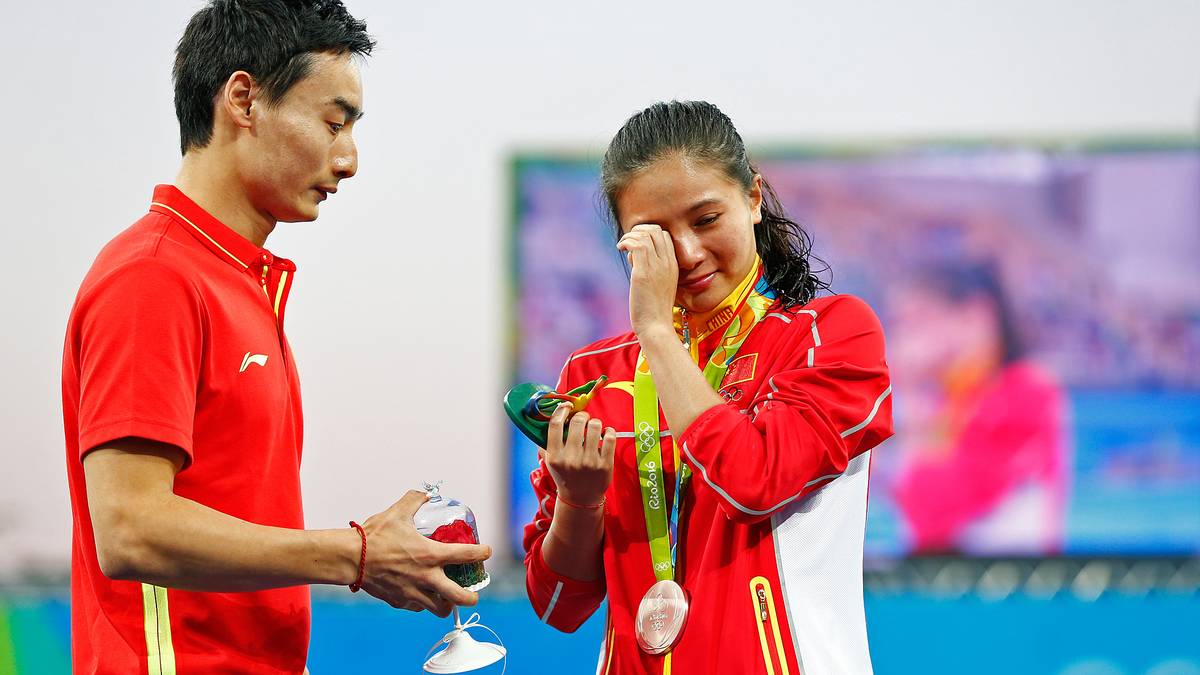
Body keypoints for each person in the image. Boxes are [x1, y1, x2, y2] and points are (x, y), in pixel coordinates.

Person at [61, 2, 490, 673]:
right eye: (333, 121)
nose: (348, 159)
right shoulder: (153, 276)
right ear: (244, 99)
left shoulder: (237, 283)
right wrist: (357, 553)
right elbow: (128, 528)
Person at [522, 101, 894, 674]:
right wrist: (578, 498)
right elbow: (558, 603)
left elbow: (754, 481)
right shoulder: (594, 376)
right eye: (654, 236)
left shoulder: (831, 335)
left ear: (753, 199)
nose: (687, 254)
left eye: (705, 219)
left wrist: (653, 331)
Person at [887, 262, 1069, 554]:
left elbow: (933, 515)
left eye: (918, 321)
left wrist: (908, 398)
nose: (903, 341)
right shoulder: (948, 400)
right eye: (899, 325)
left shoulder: (1026, 393)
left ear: (975, 316)